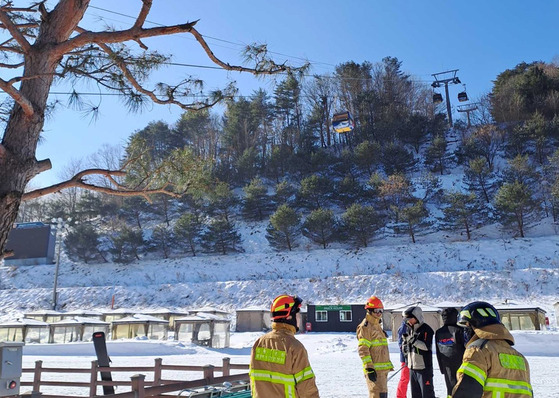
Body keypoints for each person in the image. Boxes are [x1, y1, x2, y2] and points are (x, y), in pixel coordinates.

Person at [452, 301, 532, 398]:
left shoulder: (478, 350)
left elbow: (466, 391)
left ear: (474, 327)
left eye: (467, 326)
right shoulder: (520, 358)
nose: (465, 332)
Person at [249, 294, 320, 398]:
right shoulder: (294, 347)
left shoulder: (258, 343)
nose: (299, 317)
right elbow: (307, 389)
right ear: (289, 317)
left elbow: (254, 383)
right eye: (297, 313)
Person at [356, 296, 394, 398]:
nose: (379, 313)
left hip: (382, 372)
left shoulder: (377, 326)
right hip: (375, 371)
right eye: (377, 310)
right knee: (376, 395)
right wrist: (369, 368)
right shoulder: (366, 327)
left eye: (381, 311)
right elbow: (363, 350)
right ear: (369, 310)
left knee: (382, 395)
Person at [401, 306, 436, 398]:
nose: (408, 321)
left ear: (416, 317)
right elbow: (407, 348)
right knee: (415, 395)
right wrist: (405, 344)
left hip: (424, 368)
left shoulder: (426, 329)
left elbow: (426, 346)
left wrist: (411, 340)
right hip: (412, 368)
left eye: (410, 319)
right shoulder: (409, 329)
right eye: (407, 319)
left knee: (427, 394)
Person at [435, 307, 466, 398]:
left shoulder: (438, 332)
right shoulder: (460, 330)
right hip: (461, 364)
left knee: (450, 388)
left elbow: (438, 351)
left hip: (446, 365)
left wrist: (441, 367)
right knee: (462, 389)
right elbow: (466, 347)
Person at [396, 319, 410, 398]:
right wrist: (406, 356)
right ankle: (400, 396)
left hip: (413, 358)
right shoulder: (403, 328)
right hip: (405, 359)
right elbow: (401, 343)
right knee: (405, 379)